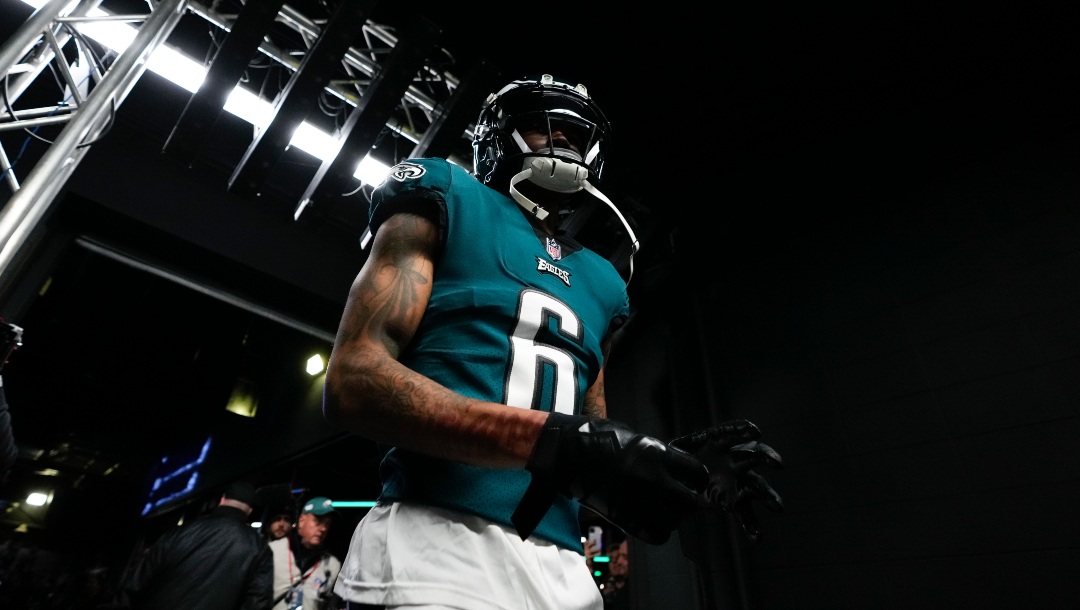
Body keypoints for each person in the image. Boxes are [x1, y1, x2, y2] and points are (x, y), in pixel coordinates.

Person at [322, 73, 785, 610]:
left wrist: (668, 476)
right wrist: (558, 440)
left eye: (576, 133)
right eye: (548, 127)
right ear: (496, 137)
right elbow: (353, 381)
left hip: (562, 572)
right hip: (435, 541)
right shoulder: (448, 193)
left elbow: (585, 455)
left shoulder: (606, 281)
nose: (566, 141)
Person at [109, 480, 273, 610]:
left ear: (222, 500)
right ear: (250, 510)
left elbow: (136, 583)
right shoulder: (259, 547)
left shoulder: (180, 532)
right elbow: (257, 602)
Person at [269, 496, 342, 610]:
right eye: (318, 521)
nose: (323, 528)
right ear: (302, 521)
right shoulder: (272, 551)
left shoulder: (332, 566)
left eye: (327, 524)